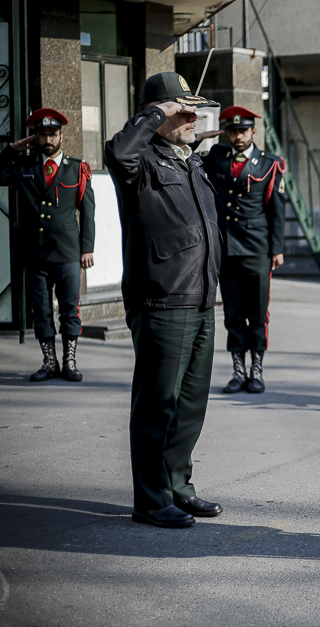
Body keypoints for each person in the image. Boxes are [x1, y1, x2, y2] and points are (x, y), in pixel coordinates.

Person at [104, 72, 223, 528]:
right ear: (160, 112)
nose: (194, 117)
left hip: (200, 297)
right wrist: (155, 116)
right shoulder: (141, 161)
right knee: (158, 404)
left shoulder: (188, 161)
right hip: (162, 299)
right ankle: (151, 500)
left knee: (191, 404)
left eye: (195, 109)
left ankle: (178, 486)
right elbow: (117, 151)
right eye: (184, 109)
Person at [0, 109, 94, 382]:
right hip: (34, 252)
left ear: (61, 135)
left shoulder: (76, 168)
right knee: (40, 308)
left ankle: (70, 361)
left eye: (52, 134)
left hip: (68, 252)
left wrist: (87, 248)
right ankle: (49, 362)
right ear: (35, 137)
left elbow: (88, 211)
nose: (48, 139)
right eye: (42, 134)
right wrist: (14, 148)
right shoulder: (23, 167)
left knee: (70, 307)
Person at [201, 106, 287, 394]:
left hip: (257, 250)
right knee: (233, 313)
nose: (238, 136)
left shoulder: (269, 164)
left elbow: (276, 211)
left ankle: (257, 371)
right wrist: (204, 135)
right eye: (233, 131)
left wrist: (277, 249)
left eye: (243, 130)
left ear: (253, 132)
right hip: (226, 250)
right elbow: (187, 152)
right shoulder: (216, 158)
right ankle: (238, 372)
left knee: (258, 313)